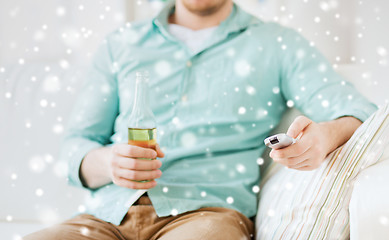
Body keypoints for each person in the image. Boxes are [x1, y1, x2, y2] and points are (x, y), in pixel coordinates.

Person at [25, 0, 377, 239]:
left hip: (207, 216)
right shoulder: (121, 44)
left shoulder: (278, 44)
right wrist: (106, 163)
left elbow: (359, 111)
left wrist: (326, 136)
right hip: (106, 217)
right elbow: (75, 146)